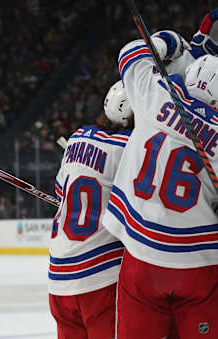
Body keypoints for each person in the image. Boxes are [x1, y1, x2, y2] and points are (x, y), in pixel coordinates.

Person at [102, 7, 218, 339]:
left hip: (141, 257)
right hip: (197, 263)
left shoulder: (154, 96)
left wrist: (173, 42)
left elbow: (131, 53)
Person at [48, 80, 133, 339]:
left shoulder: (77, 138)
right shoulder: (130, 147)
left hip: (58, 279)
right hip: (100, 277)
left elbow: (61, 191)